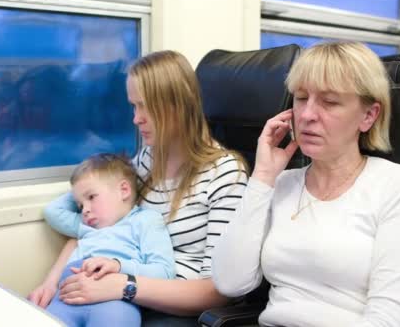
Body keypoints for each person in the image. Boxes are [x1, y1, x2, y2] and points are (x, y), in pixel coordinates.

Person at [212, 41, 400, 327]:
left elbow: (390, 322)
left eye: (329, 102)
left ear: (368, 115)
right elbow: (230, 282)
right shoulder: (281, 183)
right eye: (301, 98)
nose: (307, 115)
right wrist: (263, 177)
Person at [31, 50, 249, 326]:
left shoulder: (225, 174)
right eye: (134, 107)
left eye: (144, 106)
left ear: (176, 105)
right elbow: (93, 229)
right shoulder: (147, 160)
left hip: (176, 308)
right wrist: (50, 284)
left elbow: (216, 292)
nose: (136, 119)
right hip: (127, 292)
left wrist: (123, 285)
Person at [30, 152, 176, 326]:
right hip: (67, 295)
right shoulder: (86, 225)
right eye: (80, 205)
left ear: (124, 190)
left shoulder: (146, 220)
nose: (84, 210)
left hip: (115, 300)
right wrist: (82, 191)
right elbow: (52, 212)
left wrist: (119, 266)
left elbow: (165, 272)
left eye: (92, 197)